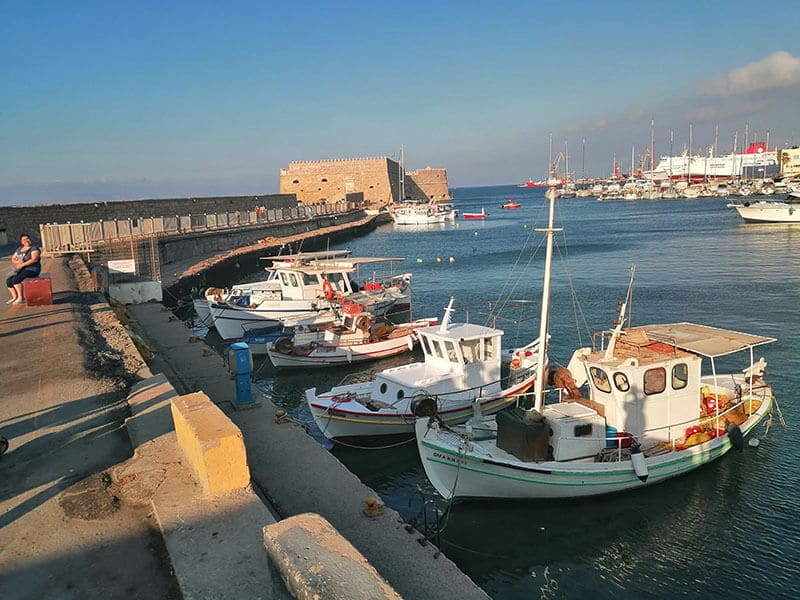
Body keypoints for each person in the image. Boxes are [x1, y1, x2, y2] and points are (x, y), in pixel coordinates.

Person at [6, 234, 41, 304]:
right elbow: (13, 258)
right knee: (9, 280)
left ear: (30, 240)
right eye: (24, 240)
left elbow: (34, 259)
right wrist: (17, 261)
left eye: (27, 239)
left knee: (16, 279)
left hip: (32, 269)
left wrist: (22, 264)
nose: (26, 241)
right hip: (21, 269)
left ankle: (20, 297)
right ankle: (14, 297)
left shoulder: (34, 248)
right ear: (21, 242)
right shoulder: (19, 249)